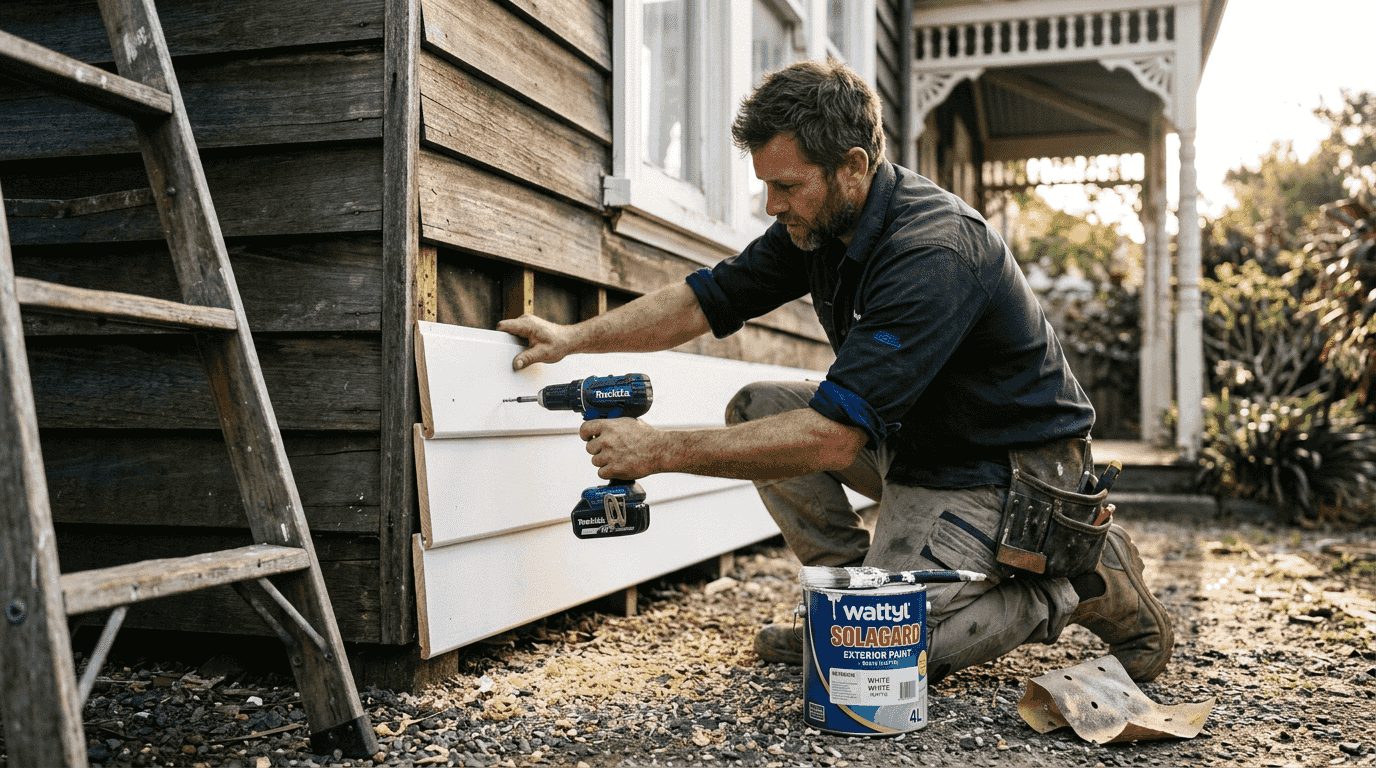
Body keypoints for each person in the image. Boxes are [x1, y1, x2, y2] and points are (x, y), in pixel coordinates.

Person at [497, 58, 1173, 683]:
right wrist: (571, 337)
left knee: (878, 653)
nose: (771, 205)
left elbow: (832, 440)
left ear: (853, 166)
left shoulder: (932, 251)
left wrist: (658, 450)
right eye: (766, 185)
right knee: (759, 407)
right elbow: (707, 299)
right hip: (926, 445)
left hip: (1015, 474)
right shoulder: (824, 225)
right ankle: (847, 600)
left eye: (785, 186)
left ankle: (1079, 583)